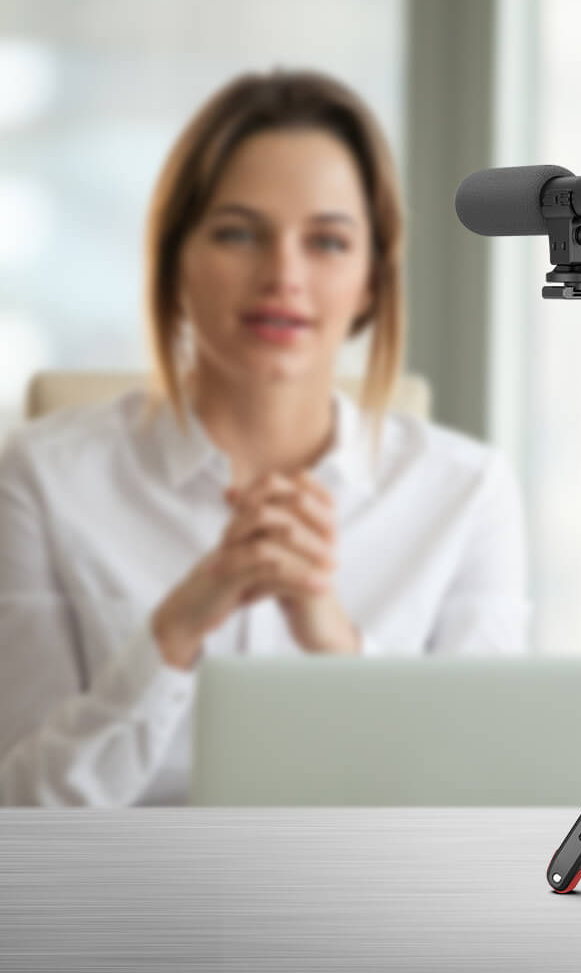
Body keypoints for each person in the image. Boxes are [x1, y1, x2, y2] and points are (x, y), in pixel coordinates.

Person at [0, 70, 529, 806]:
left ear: (372, 281)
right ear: (175, 261)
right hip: (124, 882)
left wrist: (336, 644)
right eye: (238, 233)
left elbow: (488, 803)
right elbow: (21, 812)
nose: (283, 274)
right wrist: (175, 632)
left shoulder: (466, 493)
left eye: (328, 241)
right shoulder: (41, 477)